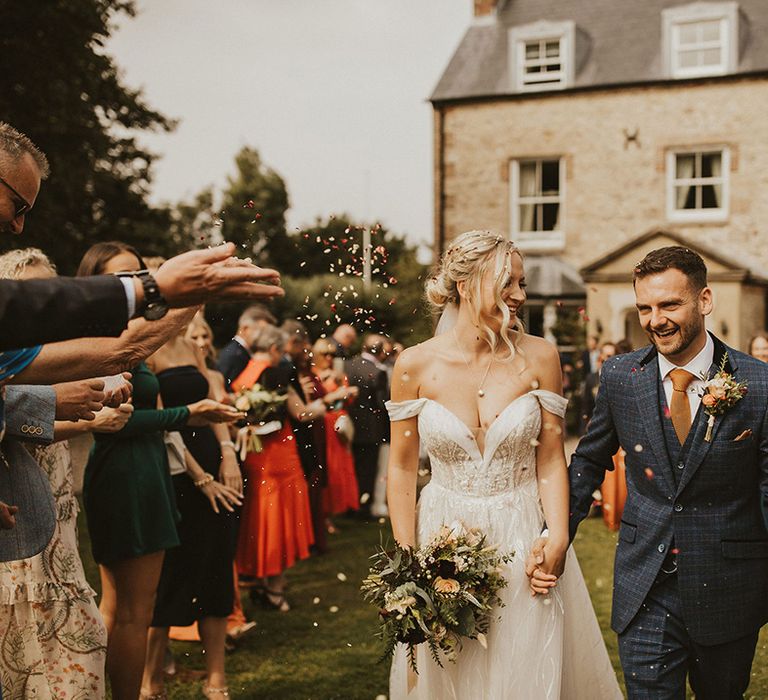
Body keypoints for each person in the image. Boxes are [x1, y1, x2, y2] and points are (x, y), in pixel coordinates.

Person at [387, 230, 620, 699]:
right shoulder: (414, 366)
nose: (519, 295)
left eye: (522, 283)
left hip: (522, 533)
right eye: (507, 283)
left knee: (527, 666)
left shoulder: (541, 356)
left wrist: (556, 537)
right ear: (467, 284)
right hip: (442, 535)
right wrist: (408, 561)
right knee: (451, 665)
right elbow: (402, 469)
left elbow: (551, 458)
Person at [530, 246, 768, 699]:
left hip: (728, 588)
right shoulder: (621, 376)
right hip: (645, 586)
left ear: (704, 300)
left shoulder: (758, 384)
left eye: (669, 304)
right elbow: (588, 461)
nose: (655, 319)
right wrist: (555, 532)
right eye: (645, 307)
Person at [78, 243, 242, 700]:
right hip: (127, 475)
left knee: (131, 608)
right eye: (122, 277)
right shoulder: (103, 342)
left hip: (149, 472)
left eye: (139, 274)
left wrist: (193, 296)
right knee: (128, 611)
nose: (134, 284)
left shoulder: (128, 336)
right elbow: (117, 423)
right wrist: (188, 414)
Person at [143, 314, 246, 700]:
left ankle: (215, 675)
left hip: (216, 461)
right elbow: (163, 426)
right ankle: (150, 678)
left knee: (217, 569)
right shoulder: (146, 353)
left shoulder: (191, 347)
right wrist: (202, 479)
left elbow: (212, 405)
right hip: (177, 473)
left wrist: (228, 454)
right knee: (170, 573)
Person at [232, 325, 323, 611]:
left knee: (259, 519)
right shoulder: (280, 373)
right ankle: (274, 588)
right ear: (274, 349)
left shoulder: (242, 372)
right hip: (280, 456)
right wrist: (329, 402)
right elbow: (302, 413)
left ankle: (260, 582)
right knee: (279, 520)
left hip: (254, 456)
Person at [310, 337, 360, 528]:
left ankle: (339, 508)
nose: (330, 358)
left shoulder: (338, 375)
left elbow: (344, 400)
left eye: (333, 354)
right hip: (324, 424)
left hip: (340, 424)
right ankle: (324, 514)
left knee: (342, 466)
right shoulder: (313, 375)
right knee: (327, 467)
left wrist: (348, 395)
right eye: (326, 354)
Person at [346, 334, 390, 518]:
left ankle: (349, 505)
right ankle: (364, 508)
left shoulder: (349, 365)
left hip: (348, 425)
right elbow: (382, 404)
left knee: (352, 467)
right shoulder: (378, 372)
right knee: (368, 470)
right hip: (371, 429)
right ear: (380, 352)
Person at [218, 304, 277, 387]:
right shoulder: (233, 354)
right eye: (262, 331)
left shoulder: (242, 352)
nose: (265, 336)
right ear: (245, 329)